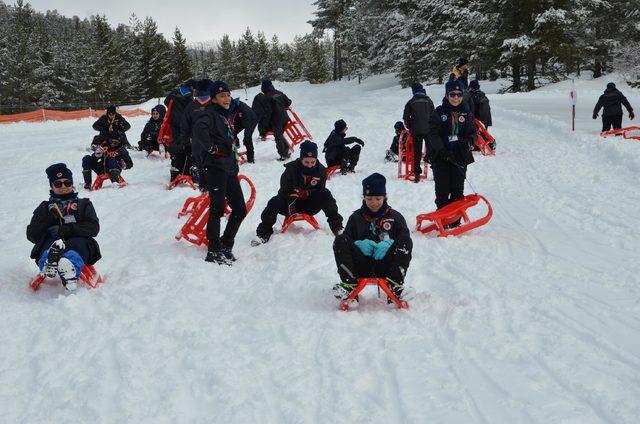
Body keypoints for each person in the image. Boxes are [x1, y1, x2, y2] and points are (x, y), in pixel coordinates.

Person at [332, 173, 413, 304]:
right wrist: (357, 244)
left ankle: (395, 287)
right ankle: (349, 287)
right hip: (360, 266)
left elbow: (404, 239)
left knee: (405, 241)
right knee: (340, 240)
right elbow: (346, 242)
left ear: (384, 197)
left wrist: (390, 244)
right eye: (369, 198)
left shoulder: (396, 217)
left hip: (387, 266)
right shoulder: (355, 218)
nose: (373, 203)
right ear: (363, 197)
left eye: (378, 198)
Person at [191, 80, 247, 265]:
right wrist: (212, 148)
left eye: (228, 95)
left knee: (240, 209)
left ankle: (226, 245)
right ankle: (213, 250)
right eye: (222, 95)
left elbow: (249, 118)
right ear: (214, 99)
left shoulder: (227, 115)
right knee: (217, 209)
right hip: (215, 167)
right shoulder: (210, 114)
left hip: (229, 167)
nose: (227, 98)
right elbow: (199, 129)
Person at [252, 140, 343, 245]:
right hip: (290, 204)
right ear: (301, 159)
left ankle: (337, 228)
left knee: (326, 194)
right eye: (306, 162)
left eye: (312, 162)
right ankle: (263, 234)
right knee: (274, 201)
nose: (309, 165)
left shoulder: (321, 171)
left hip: (309, 205)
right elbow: (283, 191)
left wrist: (307, 193)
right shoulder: (291, 169)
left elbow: (320, 190)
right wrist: (294, 195)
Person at [27, 164, 101, 291]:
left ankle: (68, 267)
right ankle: (50, 261)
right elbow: (32, 235)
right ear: (51, 186)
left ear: (72, 184)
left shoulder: (84, 204)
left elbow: (93, 228)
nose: (63, 187)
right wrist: (49, 219)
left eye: (67, 183)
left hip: (79, 241)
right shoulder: (44, 207)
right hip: (52, 241)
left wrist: (67, 229)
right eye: (58, 184)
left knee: (76, 244)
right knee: (51, 244)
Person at [427, 80, 475, 220]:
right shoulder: (439, 112)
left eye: (459, 94)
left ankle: (455, 220)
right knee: (442, 191)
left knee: (457, 191)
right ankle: (443, 219)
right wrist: (441, 150)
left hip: (460, 157)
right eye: (452, 94)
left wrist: (470, 141)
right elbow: (432, 133)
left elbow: (473, 131)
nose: (455, 98)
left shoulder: (466, 113)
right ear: (447, 95)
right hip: (441, 157)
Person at [165, 80, 197, 182]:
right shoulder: (188, 94)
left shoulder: (174, 91)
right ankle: (187, 169)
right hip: (184, 121)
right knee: (186, 143)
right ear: (191, 87)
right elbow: (191, 107)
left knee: (176, 142)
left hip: (173, 121)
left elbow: (166, 101)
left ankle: (176, 167)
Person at [403, 83, 434, 182]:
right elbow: (434, 115)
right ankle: (435, 172)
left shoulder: (411, 102)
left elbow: (406, 117)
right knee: (432, 150)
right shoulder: (429, 101)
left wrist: (410, 127)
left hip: (416, 130)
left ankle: (417, 174)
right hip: (429, 129)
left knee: (416, 152)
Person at [261, 79, 293, 160]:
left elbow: (268, 112)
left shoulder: (266, 97)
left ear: (263, 87)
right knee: (280, 135)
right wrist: (283, 106)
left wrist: (265, 123)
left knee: (278, 137)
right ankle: (286, 151)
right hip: (285, 118)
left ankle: (283, 155)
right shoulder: (279, 92)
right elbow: (289, 102)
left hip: (276, 120)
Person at [468, 80, 494, 151]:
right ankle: (488, 143)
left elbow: (471, 108)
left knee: (477, 132)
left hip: (478, 118)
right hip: (485, 118)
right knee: (483, 131)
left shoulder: (472, 96)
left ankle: (479, 145)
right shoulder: (483, 96)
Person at [231, 97, 258, 163]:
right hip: (241, 119)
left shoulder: (244, 109)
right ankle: (237, 145)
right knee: (232, 132)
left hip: (251, 120)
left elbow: (248, 121)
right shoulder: (233, 106)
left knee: (247, 138)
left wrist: (247, 134)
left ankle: (250, 158)